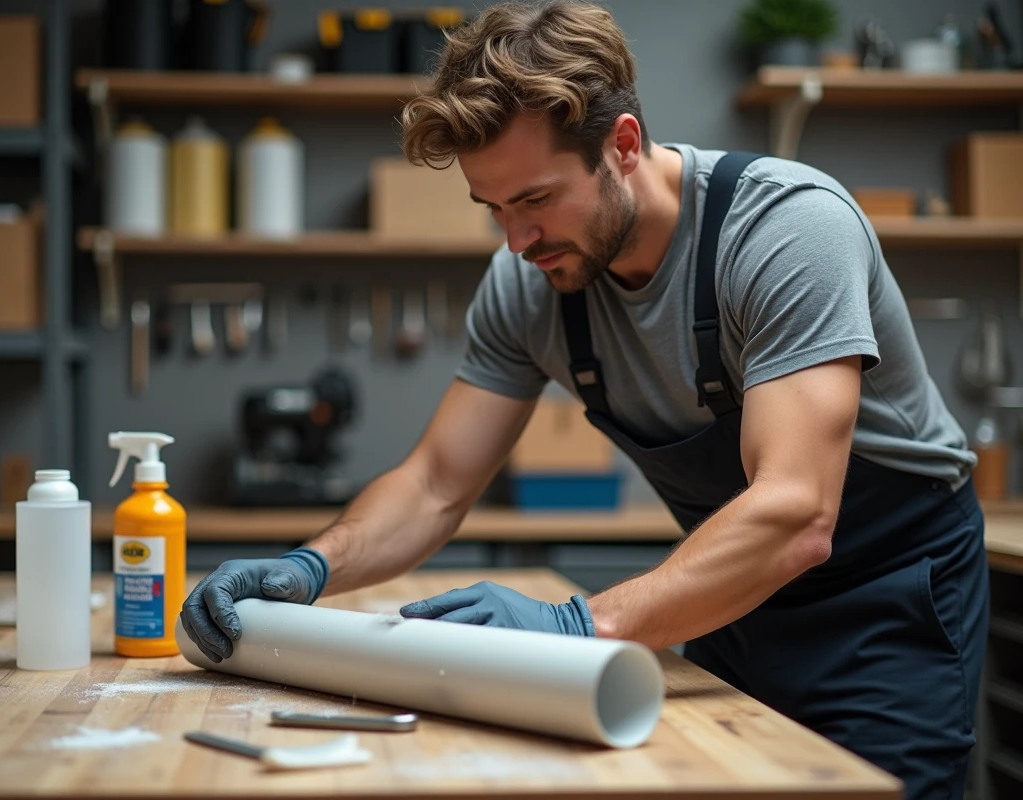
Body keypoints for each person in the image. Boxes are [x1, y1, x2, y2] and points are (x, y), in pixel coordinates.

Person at [180, 2, 988, 797]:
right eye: (492, 208)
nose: (515, 240)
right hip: (728, 605)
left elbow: (796, 511)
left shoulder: (785, 230)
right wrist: (308, 568)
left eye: (533, 199)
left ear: (623, 145)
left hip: (888, 603)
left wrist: (572, 628)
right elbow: (434, 485)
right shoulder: (528, 287)